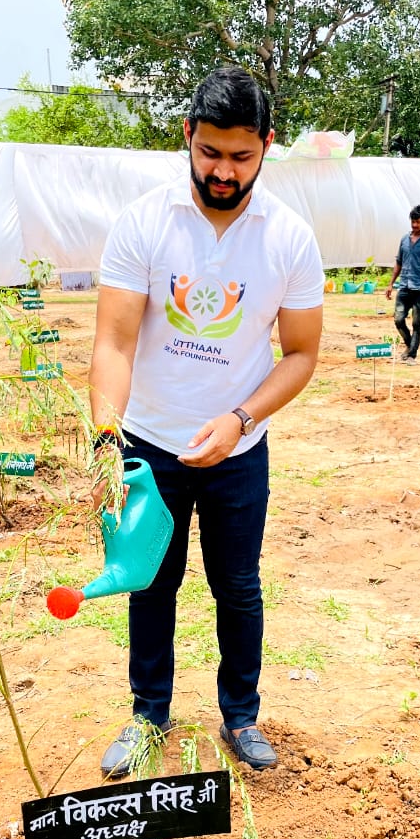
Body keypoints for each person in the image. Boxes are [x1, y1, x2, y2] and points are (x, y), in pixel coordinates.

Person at [89, 66, 324, 779]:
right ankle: (147, 716)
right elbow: (114, 343)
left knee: (238, 586)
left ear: (267, 148)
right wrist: (107, 442)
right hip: (150, 447)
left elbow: (303, 353)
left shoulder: (288, 239)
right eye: (211, 152)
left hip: (238, 448)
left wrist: (240, 418)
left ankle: (241, 716)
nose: (223, 171)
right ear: (187, 135)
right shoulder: (145, 224)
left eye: (241, 157)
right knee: (150, 582)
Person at [385, 205, 420, 361]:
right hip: (404, 286)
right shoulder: (404, 240)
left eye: (418, 222)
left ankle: (412, 355)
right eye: (413, 221)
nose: (415, 225)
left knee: (416, 322)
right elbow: (398, 263)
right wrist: (390, 284)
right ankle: (409, 345)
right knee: (398, 319)